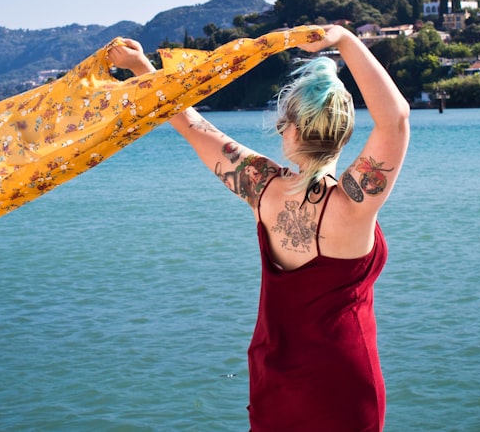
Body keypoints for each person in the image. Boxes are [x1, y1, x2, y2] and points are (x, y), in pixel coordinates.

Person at [108, 25, 410, 431]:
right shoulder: (354, 206)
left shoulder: (261, 188)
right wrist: (345, 40)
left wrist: (141, 66)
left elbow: (194, 126)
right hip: (343, 385)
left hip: (274, 380)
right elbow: (394, 120)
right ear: (343, 132)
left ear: (293, 131)